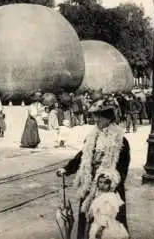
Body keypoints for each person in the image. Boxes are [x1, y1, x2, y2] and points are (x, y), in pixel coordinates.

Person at [56, 98, 131, 239]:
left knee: (108, 222)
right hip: (90, 184)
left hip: (108, 187)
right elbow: (82, 156)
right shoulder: (92, 137)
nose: (96, 120)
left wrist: (110, 184)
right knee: (87, 217)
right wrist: (67, 169)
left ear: (108, 119)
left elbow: (123, 168)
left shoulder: (120, 140)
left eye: (99, 117)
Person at [88, 169, 129, 239]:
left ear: (111, 184)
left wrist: (101, 228)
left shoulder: (109, 198)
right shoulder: (99, 195)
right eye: (100, 182)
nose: (102, 185)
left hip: (105, 226)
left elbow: (107, 215)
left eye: (106, 183)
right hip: (97, 222)